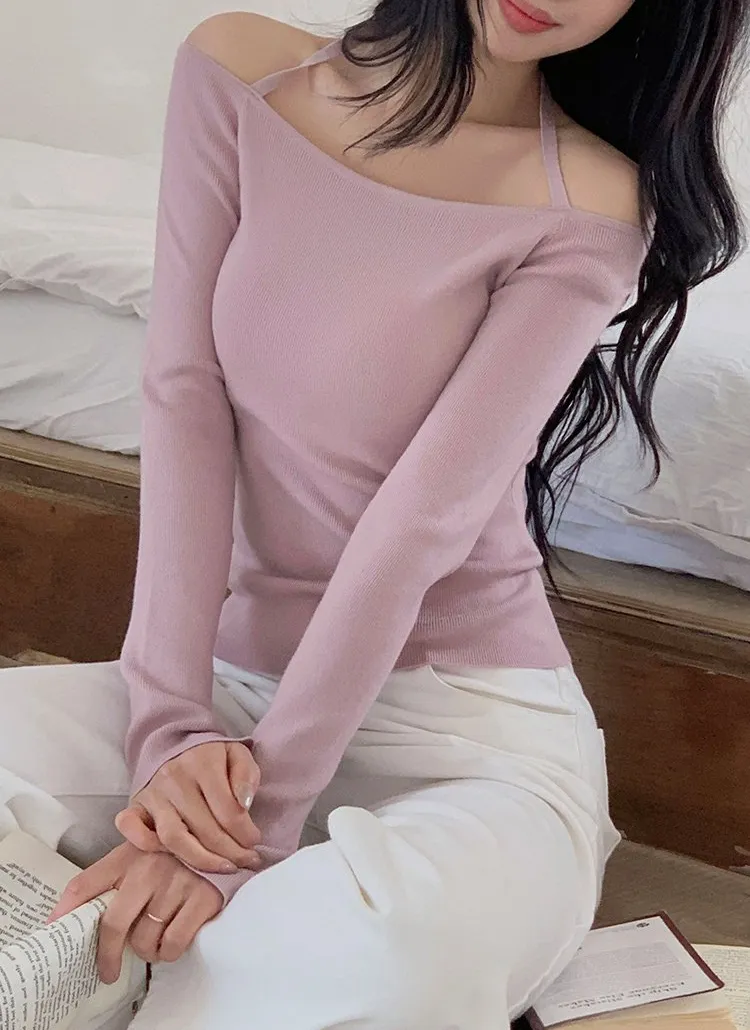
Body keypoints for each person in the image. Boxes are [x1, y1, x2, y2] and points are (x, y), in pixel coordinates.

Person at [1, 1, 747, 1027]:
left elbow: (420, 522)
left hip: (459, 729)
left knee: (390, 943)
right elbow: (183, 393)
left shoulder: (584, 199)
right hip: (229, 689)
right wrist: (169, 728)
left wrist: (245, 834)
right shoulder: (240, 71)